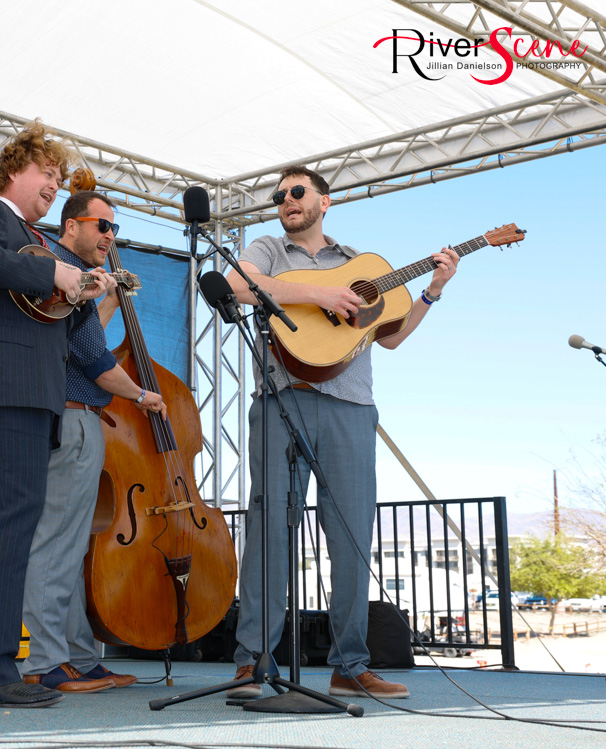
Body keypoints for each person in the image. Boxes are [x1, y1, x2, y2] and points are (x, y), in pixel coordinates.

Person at [225, 166, 459, 700]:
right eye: (279, 194)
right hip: (281, 400)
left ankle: (350, 665)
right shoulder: (266, 248)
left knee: (352, 537)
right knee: (269, 530)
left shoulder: (361, 264)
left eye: (297, 191)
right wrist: (319, 296)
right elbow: (239, 285)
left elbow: (392, 339)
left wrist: (433, 290)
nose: (287, 199)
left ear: (324, 201)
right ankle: (254, 661)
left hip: (351, 407)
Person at [0, 122, 108, 709]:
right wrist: (55, 272)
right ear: (14, 173)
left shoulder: (30, 235)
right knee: (12, 520)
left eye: (60, 180)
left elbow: (58, 320)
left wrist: (83, 292)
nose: (54, 186)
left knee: (3, 525)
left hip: (21, 391)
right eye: (48, 175)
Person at [19, 191, 166, 694]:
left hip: (71, 418)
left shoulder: (70, 281)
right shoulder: (62, 270)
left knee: (67, 545)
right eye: (101, 226)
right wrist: (144, 395)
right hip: (73, 416)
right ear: (69, 226)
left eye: (114, 229)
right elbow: (99, 366)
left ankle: (79, 656)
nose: (110, 236)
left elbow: (83, 343)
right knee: (56, 545)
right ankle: (46, 661)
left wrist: (106, 300)